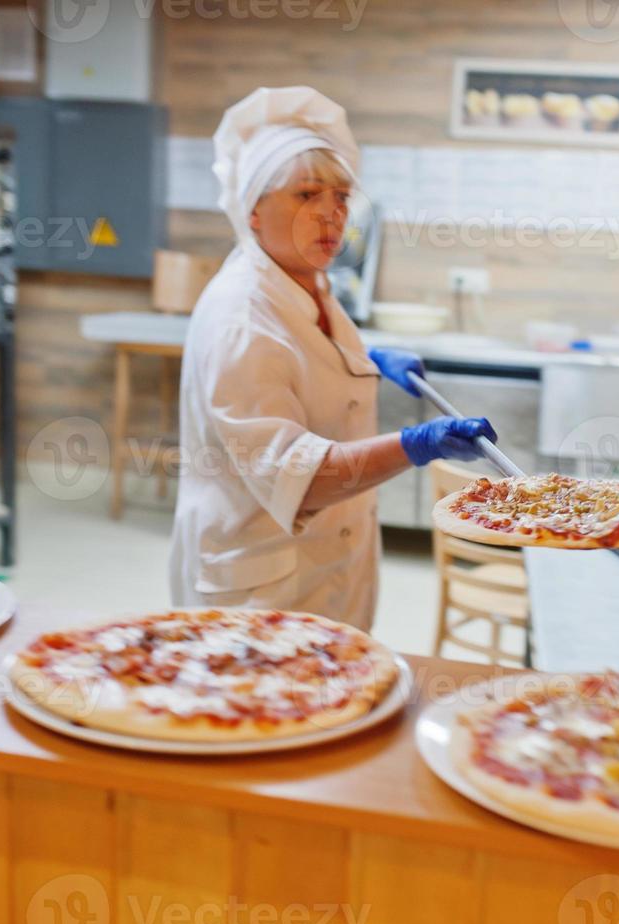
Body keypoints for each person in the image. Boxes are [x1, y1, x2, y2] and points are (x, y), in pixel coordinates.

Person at [169, 86, 497, 631]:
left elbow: (299, 355)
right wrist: (416, 445)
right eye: (306, 195)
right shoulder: (240, 320)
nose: (330, 214)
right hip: (258, 591)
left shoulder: (304, 284)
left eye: (341, 196)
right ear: (253, 210)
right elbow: (303, 479)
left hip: (324, 569)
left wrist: (361, 355)